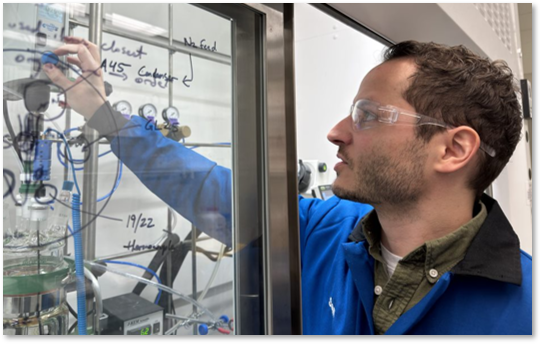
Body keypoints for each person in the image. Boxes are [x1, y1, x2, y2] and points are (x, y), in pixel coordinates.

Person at [44, 37, 532, 335]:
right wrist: (103, 114)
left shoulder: (522, 310)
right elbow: (202, 186)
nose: (337, 132)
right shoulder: (320, 230)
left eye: (366, 115)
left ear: (452, 149)